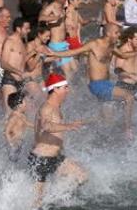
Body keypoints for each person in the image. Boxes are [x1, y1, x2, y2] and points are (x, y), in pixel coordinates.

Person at [29, 74, 87, 206]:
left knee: (82, 177)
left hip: (55, 158)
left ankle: (54, 198)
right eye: (64, 87)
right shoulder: (47, 108)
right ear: (55, 89)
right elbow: (46, 126)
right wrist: (69, 126)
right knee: (36, 203)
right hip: (41, 160)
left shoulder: (56, 106)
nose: (68, 90)